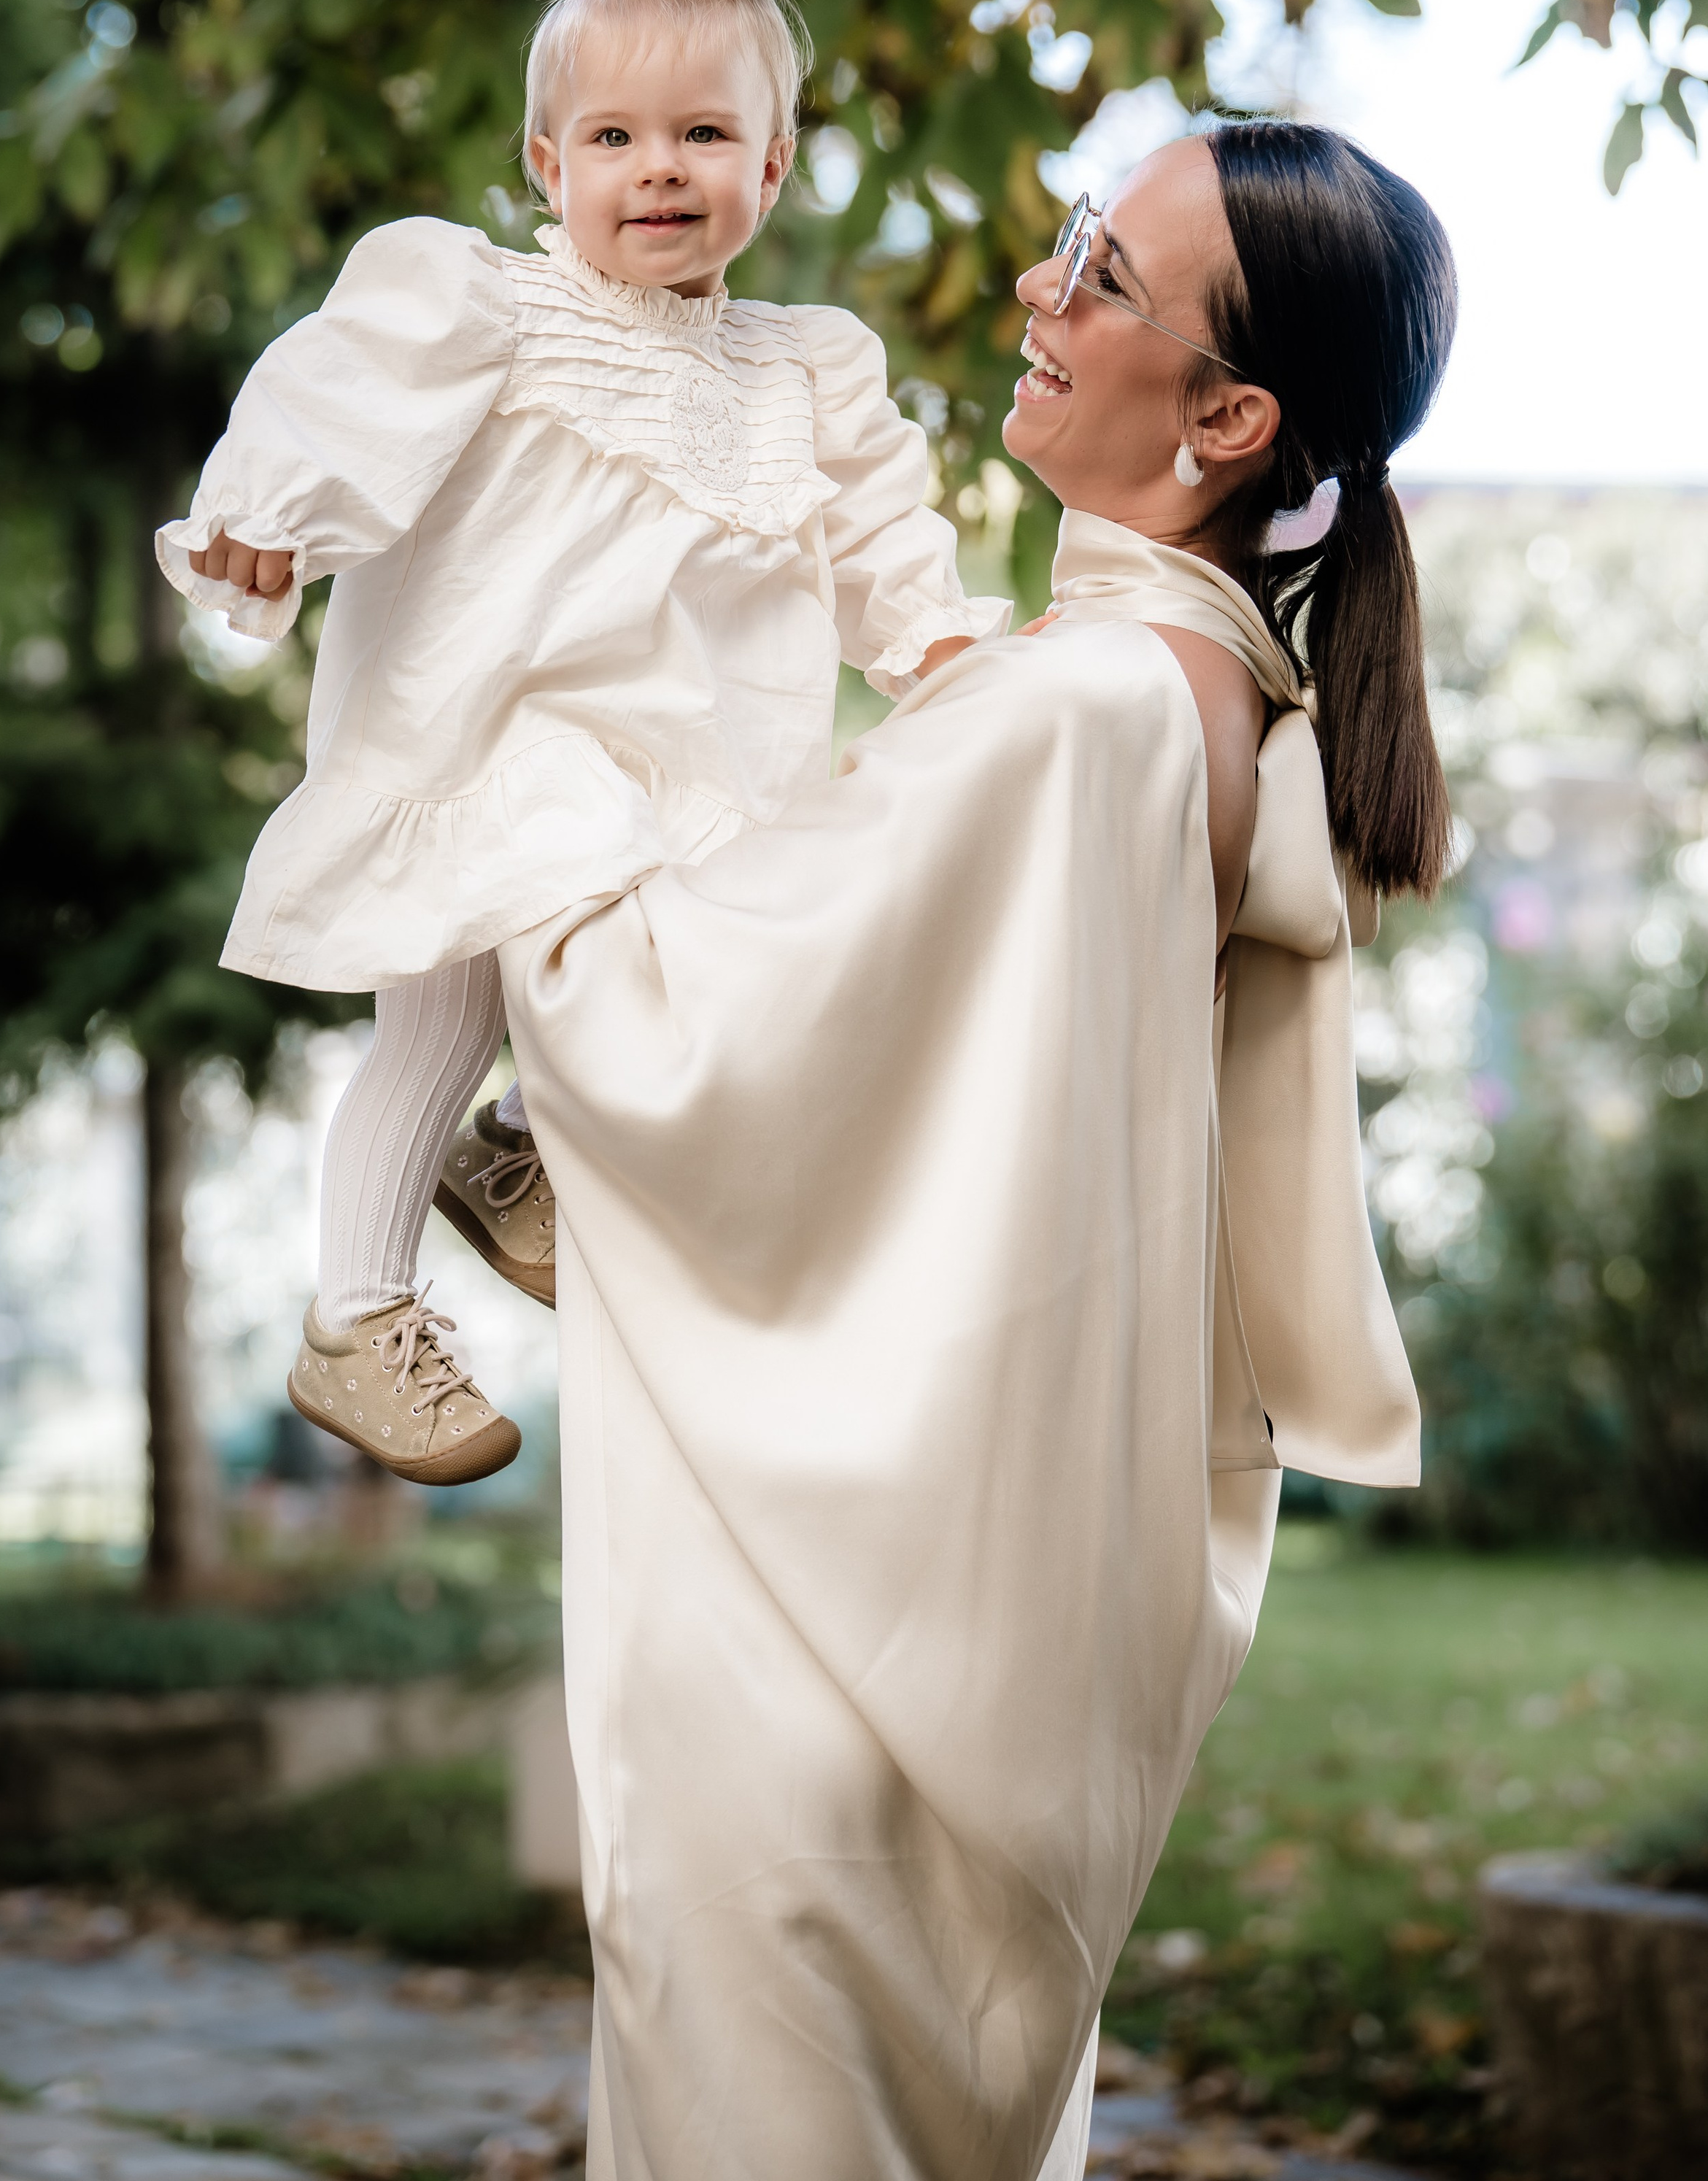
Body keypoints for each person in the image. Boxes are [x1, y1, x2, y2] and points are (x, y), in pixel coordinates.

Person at [492, 117, 1455, 2180]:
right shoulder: (1185, 705)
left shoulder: (1084, 716)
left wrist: (505, 748)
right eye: (1066, 242)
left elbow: (672, 1037)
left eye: (1100, 272)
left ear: (1226, 413)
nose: (1039, 290)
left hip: (834, 1684)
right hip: (965, 1654)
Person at [153, 0, 1006, 1486]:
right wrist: (262, 525)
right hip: (484, 735)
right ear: (547, 167)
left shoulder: (806, 364)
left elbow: (887, 527)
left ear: (768, 165)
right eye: (610, 139)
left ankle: (516, 1145)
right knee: (441, 1012)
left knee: (705, 968)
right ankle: (357, 1314)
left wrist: (935, 648)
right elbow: (334, 404)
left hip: (706, 768)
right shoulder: (479, 304)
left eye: (699, 134)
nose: (657, 168)